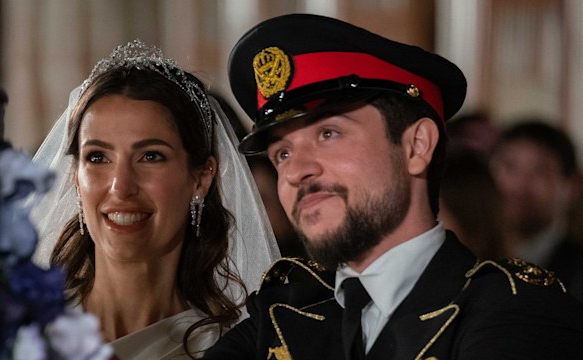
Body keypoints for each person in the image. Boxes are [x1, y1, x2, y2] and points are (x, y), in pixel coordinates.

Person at [203, 14, 583, 359]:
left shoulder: (516, 311)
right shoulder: (281, 313)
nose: (295, 171)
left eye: (328, 133)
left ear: (416, 147)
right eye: (281, 153)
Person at [29, 40, 280, 360]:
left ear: (202, 177)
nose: (121, 187)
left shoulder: (233, 349)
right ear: (75, 177)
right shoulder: (15, 329)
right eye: (97, 157)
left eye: (150, 156)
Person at [490, 119, 583, 303]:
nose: (520, 185)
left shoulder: (577, 272)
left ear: (571, 186)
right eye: (509, 167)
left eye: (541, 171)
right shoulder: (473, 259)